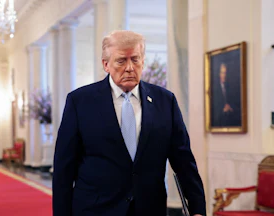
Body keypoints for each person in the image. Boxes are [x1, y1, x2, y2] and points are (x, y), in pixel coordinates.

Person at [52, 30, 206, 216]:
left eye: (135, 59)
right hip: (96, 209)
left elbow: (183, 161)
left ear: (143, 61)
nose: (130, 67)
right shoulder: (80, 102)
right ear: (106, 64)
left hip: (149, 209)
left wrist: (197, 209)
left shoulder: (165, 101)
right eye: (121, 61)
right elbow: (64, 169)